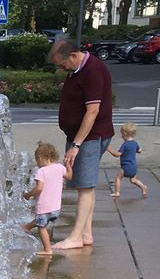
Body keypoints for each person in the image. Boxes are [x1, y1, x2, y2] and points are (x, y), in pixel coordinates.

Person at [47, 38, 114, 250]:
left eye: (62, 64)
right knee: (85, 185)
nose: (62, 69)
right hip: (83, 137)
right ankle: (86, 234)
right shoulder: (78, 70)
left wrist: (76, 145)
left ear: (73, 55)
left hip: (89, 137)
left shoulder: (93, 70)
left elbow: (92, 111)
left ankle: (76, 237)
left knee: (85, 186)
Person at [22, 142, 73, 256]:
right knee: (41, 220)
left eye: (37, 160)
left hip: (44, 206)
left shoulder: (41, 171)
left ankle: (47, 249)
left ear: (40, 158)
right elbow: (69, 176)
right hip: (56, 208)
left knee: (42, 227)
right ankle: (26, 227)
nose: (37, 163)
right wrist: (68, 165)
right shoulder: (60, 167)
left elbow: (39, 188)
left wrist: (29, 195)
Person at [108, 123, 148, 199]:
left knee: (118, 178)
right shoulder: (135, 143)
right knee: (133, 180)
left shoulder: (125, 145)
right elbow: (139, 150)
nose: (121, 136)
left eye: (122, 134)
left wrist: (109, 149)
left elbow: (117, 154)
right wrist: (138, 150)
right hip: (133, 166)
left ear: (125, 134)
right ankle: (143, 187)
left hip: (126, 166)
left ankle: (117, 192)